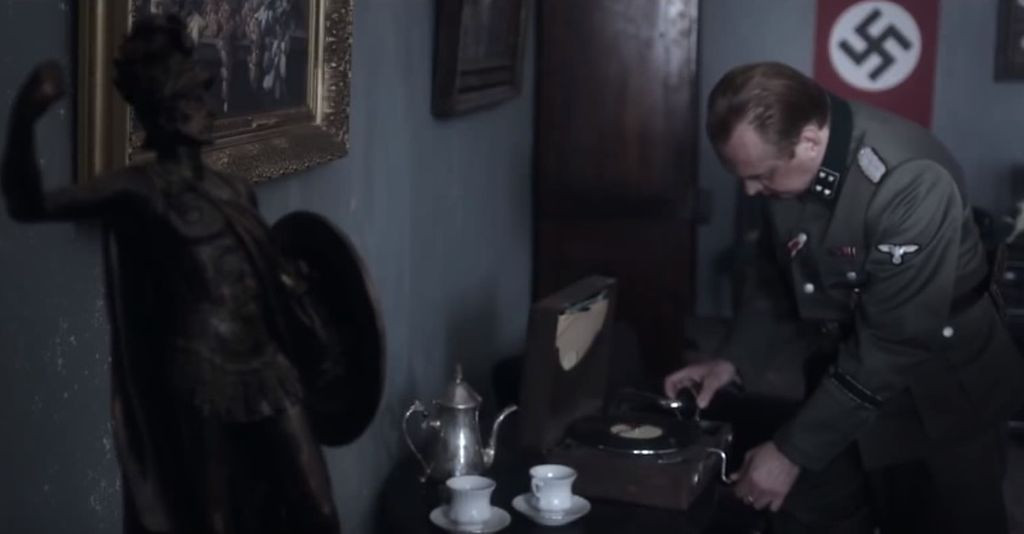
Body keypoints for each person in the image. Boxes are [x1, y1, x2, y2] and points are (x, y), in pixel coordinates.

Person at [2, 15, 342, 534]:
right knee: (209, 520)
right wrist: (25, 117)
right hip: (200, 375)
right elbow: (30, 206)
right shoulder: (139, 190)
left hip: (266, 363)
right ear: (167, 111)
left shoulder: (234, 189)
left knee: (317, 507)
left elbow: (270, 275)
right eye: (196, 99)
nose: (211, 109)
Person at [664, 62, 1024, 533]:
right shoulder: (788, 165)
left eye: (762, 175)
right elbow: (774, 279)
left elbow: (894, 342)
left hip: (940, 397)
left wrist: (793, 450)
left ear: (811, 141)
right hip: (843, 381)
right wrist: (733, 359)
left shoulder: (909, 179)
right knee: (798, 515)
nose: (750, 190)